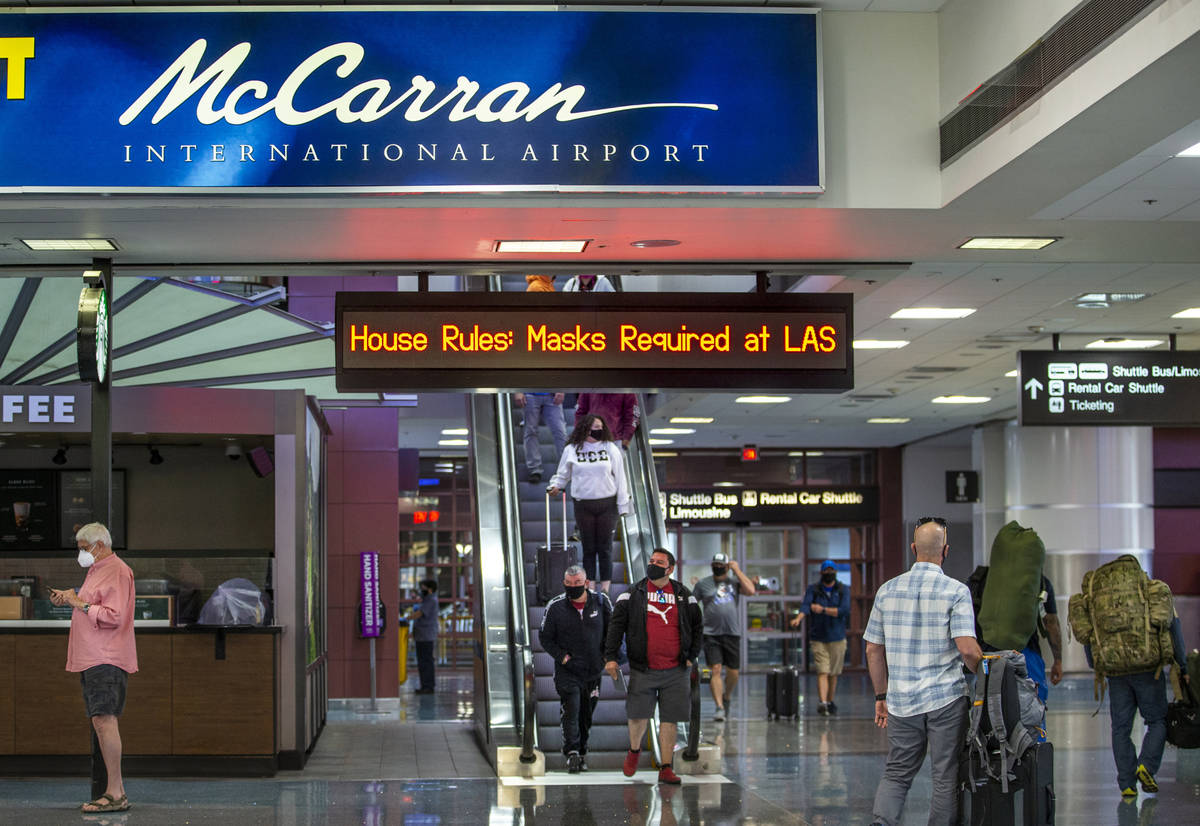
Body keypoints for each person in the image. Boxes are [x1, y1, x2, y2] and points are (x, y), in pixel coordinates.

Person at [863, 517, 982, 826]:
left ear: (913, 548)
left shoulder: (887, 591)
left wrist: (881, 695)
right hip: (946, 700)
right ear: (946, 551)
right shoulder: (956, 591)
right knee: (944, 775)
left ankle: (882, 823)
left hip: (902, 702)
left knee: (898, 772)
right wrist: (985, 672)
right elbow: (968, 649)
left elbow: (873, 650)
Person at [1077, 559, 1189, 798]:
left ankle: (1127, 784)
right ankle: (1146, 766)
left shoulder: (1101, 598)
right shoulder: (1151, 592)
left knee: (1120, 728)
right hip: (1148, 668)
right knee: (1157, 720)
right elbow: (1173, 627)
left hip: (1115, 671)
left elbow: (1089, 633)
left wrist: (1096, 664)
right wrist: (1183, 665)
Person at [48, 523, 137, 814]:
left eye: (84, 548)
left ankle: (115, 792)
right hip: (93, 657)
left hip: (106, 657)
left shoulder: (118, 570)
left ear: (100, 544)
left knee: (104, 720)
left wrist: (79, 603)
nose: (81, 553)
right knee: (101, 721)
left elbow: (114, 615)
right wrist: (72, 596)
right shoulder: (96, 570)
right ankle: (116, 791)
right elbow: (91, 601)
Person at [605, 548, 704, 785]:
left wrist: (692, 656)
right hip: (644, 668)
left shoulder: (683, 594)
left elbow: (698, 626)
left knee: (670, 719)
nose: (653, 564)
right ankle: (635, 750)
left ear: (670, 568)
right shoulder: (633, 594)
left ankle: (666, 767)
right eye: (651, 561)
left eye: (659, 562)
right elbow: (616, 627)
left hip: (676, 669)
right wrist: (611, 657)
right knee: (638, 715)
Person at [539, 565, 613, 773]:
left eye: (577, 584)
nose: (573, 587)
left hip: (593, 671)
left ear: (586, 583)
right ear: (564, 584)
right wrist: (562, 657)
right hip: (567, 671)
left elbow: (613, 629)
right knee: (571, 708)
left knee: (586, 713)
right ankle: (571, 753)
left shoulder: (601, 602)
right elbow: (545, 637)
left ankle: (582, 752)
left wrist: (608, 655)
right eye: (569, 584)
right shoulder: (555, 607)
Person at [547, 414, 630, 593]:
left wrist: (623, 504)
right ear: (585, 428)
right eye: (595, 427)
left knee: (605, 547)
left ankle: (606, 588)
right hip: (583, 503)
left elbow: (621, 477)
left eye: (601, 427)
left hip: (607, 503)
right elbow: (563, 474)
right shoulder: (572, 449)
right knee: (589, 547)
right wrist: (555, 486)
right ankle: (590, 586)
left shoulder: (610, 448)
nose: (598, 430)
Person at [692, 552, 755, 722]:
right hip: (711, 634)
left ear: (727, 566)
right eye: (716, 564)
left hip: (731, 633)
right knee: (716, 669)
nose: (718, 567)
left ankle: (726, 697)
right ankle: (719, 707)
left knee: (733, 672)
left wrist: (737, 570)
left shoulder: (734, 583)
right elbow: (691, 603)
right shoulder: (703, 584)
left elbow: (751, 590)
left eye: (722, 565)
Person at [790, 559, 852, 716]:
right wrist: (799, 618)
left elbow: (843, 610)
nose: (828, 574)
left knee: (833, 673)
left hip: (837, 637)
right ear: (821, 573)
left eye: (831, 571)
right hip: (819, 637)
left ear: (835, 573)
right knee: (822, 671)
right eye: (826, 571)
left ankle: (830, 701)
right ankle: (823, 702)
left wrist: (823, 609)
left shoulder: (843, 589)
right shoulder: (814, 589)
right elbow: (806, 605)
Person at [513, 391, 566, 483]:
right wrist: (518, 390)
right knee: (530, 431)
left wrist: (561, 389)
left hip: (552, 393)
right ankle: (534, 470)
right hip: (529, 393)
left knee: (560, 431)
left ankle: (567, 467)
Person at [410, 579, 439, 694]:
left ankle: (427, 686)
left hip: (425, 636)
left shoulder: (431, 600)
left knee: (425, 661)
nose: (421, 590)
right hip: (422, 636)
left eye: (423, 588)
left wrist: (407, 618)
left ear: (430, 589)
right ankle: (426, 685)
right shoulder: (427, 600)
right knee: (424, 661)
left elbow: (420, 613)